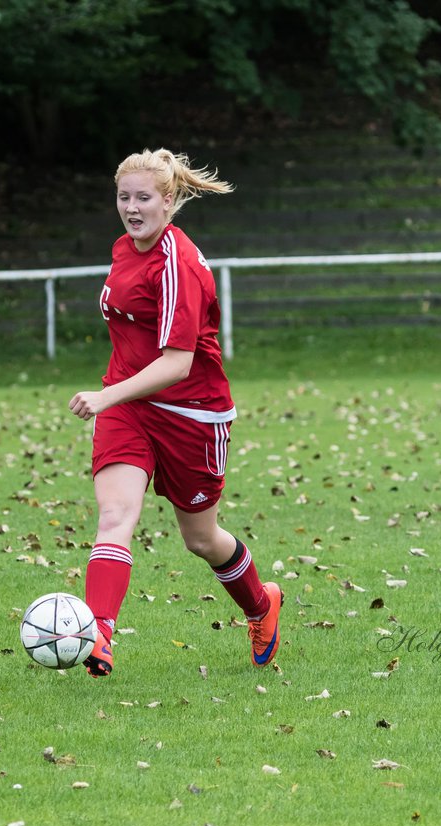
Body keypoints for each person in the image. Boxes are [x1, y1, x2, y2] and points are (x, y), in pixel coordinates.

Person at [68, 147, 282, 678]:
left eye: (144, 198)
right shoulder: (125, 248)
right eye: (124, 197)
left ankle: (261, 606)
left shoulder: (178, 265)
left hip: (193, 416)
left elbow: (178, 364)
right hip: (130, 408)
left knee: (200, 539)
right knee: (115, 517)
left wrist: (106, 396)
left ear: (169, 201)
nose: (132, 208)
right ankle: (99, 633)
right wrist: (116, 396)